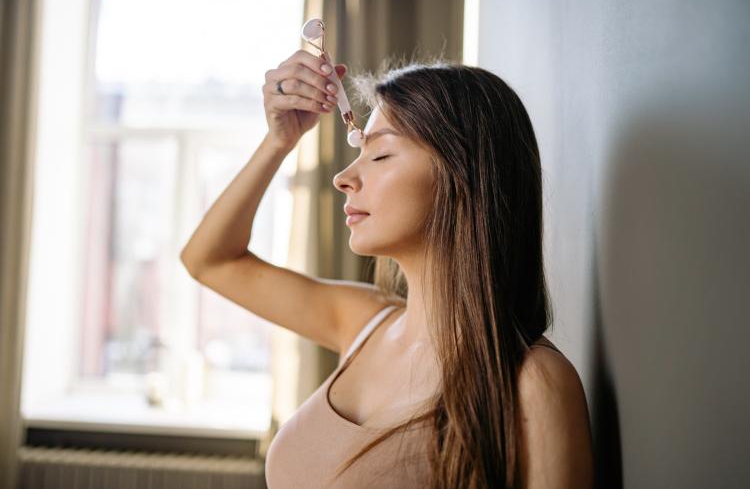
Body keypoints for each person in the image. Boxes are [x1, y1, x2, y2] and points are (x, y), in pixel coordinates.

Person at [180, 49, 594, 488]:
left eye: (380, 156)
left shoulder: (535, 384)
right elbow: (209, 260)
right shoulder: (364, 324)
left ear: (464, 175)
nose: (343, 177)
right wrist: (278, 141)